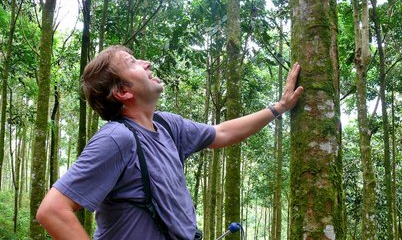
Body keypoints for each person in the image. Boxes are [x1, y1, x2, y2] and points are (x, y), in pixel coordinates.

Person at [36, 45, 303, 240]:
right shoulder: (116, 139)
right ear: (123, 92)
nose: (146, 62)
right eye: (133, 62)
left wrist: (279, 108)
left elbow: (221, 134)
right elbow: (53, 211)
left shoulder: (166, 125)